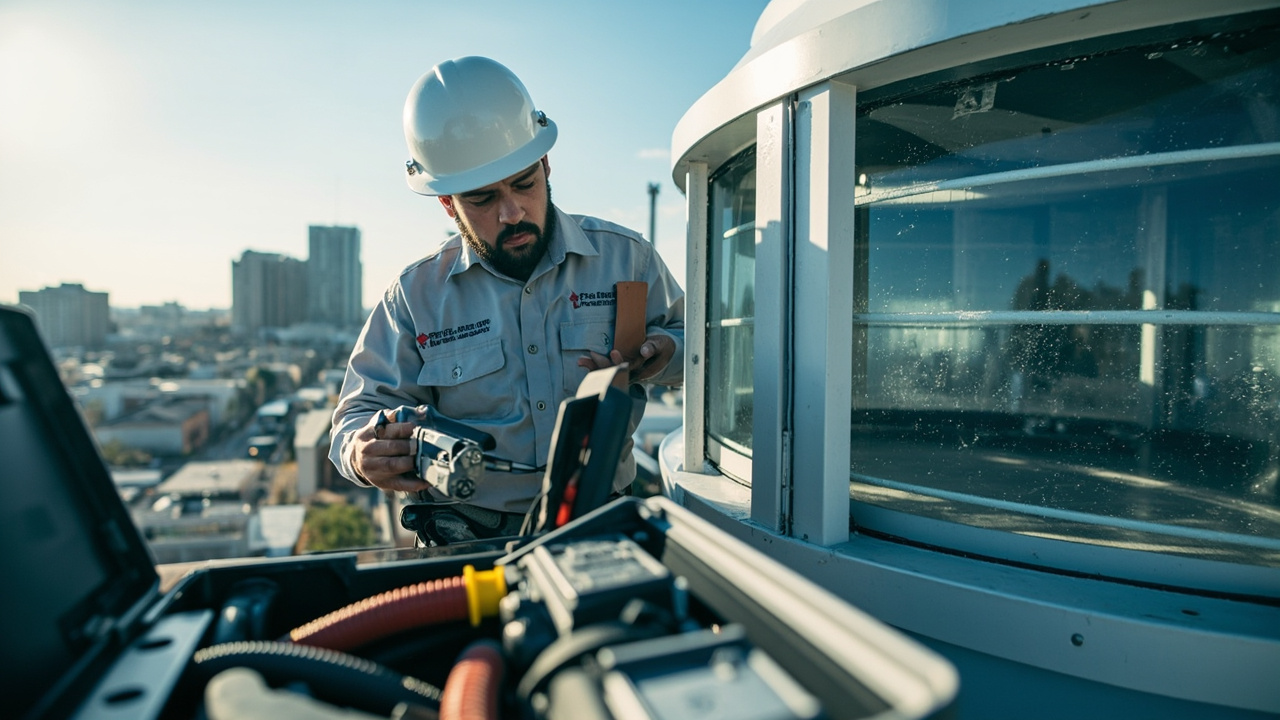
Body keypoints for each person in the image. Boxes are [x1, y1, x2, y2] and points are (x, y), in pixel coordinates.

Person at [329, 56, 684, 544]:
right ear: (447, 204)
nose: (512, 212)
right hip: (467, 545)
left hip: (600, 527)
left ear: (546, 164)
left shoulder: (628, 260)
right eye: (483, 199)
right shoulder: (415, 298)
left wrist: (667, 353)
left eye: (524, 183)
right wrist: (361, 453)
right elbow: (355, 418)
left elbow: (707, 354)